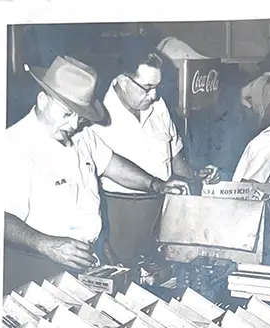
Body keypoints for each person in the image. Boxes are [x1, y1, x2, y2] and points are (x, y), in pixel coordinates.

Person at [3, 56, 189, 294]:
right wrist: (44, 243)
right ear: (42, 100)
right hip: (35, 267)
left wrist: (155, 185)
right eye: (66, 113)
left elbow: (112, 164)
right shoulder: (13, 146)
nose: (73, 124)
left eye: (79, 116)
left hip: (85, 261)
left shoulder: (81, 134)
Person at [91, 44, 220, 262]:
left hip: (163, 205)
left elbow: (174, 159)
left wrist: (197, 174)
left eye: (157, 86)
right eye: (147, 87)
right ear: (123, 81)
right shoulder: (97, 115)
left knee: (161, 273)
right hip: (120, 213)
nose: (154, 95)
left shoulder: (158, 107)